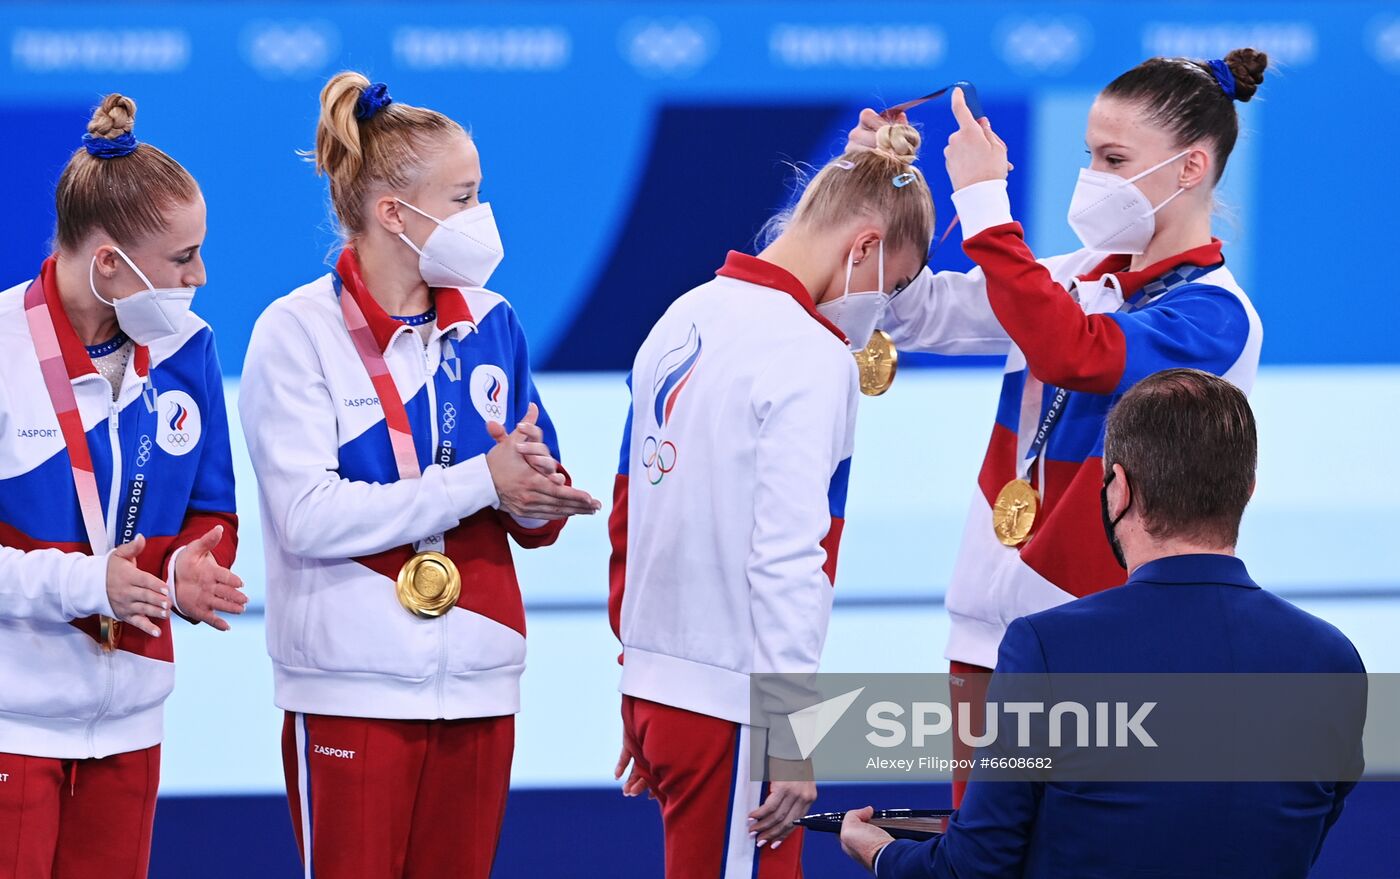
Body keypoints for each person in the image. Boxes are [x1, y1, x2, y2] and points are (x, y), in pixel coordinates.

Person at [847, 50, 1268, 803]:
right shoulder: (1075, 277)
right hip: (986, 636)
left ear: (1190, 167)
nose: (1094, 178)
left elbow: (1073, 351)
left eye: (1114, 159)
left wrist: (984, 199)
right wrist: (871, 195)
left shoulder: (1218, 316)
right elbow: (912, 312)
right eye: (1089, 157)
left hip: (1103, 652)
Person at [238, 72, 601, 879]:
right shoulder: (296, 332)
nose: (482, 219)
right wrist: (482, 480)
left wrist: (540, 502)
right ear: (394, 214)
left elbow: (524, 479)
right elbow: (306, 516)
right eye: (465, 198)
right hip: (349, 683)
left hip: (479, 673)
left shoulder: (490, 318)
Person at [839, 368, 1365, 878]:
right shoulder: (1333, 660)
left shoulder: (1047, 648)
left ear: (1118, 490)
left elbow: (974, 867)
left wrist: (880, 852)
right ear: (1247, 490)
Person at [608, 120, 933, 877]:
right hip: (736, 711)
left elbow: (631, 515)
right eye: (887, 289)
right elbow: (790, 558)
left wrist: (638, 676)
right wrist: (793, 736)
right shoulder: (812, 357)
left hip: (663, 695)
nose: (876, 316)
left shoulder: (680, 314)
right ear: (862, 248)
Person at [0, 94, 245, 877]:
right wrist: (87, 581)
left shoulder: (188, 348)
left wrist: (181, 574)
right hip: (13, 723)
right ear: (109, 263)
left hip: (132, 719)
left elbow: (212, 511)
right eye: (183, 258)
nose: (201, 277)